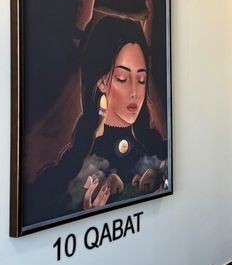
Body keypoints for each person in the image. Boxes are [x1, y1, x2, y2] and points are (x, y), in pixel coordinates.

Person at [23, 15, 167, 225]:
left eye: (141, 79)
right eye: (122, 79)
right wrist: (84, 217)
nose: (135, 92)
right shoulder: (79, 156)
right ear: (101, 81)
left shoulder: (154, 149)